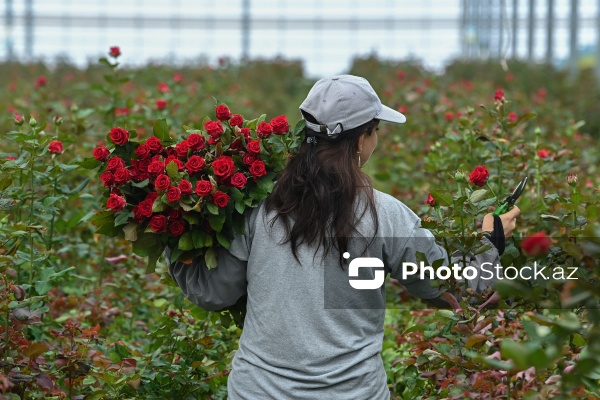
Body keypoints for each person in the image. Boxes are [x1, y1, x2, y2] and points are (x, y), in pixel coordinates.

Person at [167, 75, 520, 399]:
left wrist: (175, 230)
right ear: (362, 138)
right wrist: (492, 240)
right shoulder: (385, 215)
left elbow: (213, 293)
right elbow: (451, 288)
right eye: (376, 129)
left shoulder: (258, 208)